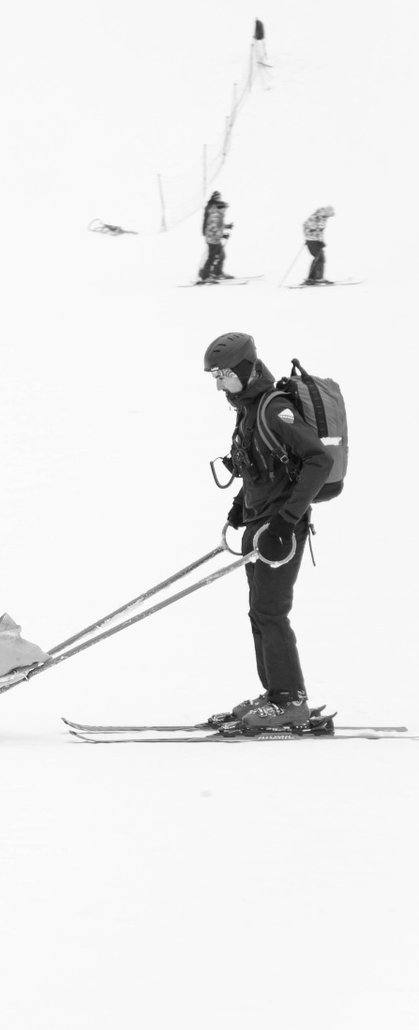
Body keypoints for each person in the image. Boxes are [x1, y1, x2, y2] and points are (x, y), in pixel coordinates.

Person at [203, 332, 334, 732]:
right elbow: (261, 466)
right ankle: (276, 694)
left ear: (245, 369)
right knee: (259, 611)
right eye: (215, 377)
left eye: (223, 374)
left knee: (271, 612)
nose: (219, 384)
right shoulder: (248, 410)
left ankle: (290, 701)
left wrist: (286, 521)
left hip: (279, 531)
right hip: (259, 525)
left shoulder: (275, 409)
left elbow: (319, 460)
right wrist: (239, 506)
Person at [198, 192, 231, 283]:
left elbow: (219, 225)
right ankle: (205, 276)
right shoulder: (215, 214)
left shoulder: (218, 214)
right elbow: (213, 228)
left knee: (221, 255)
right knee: (212, 257)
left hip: (215, 238)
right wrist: (222, 235)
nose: (226, 211)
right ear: (222, 208)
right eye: (225, 209)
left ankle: (217, 273)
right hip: (212, 239)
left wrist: (227, 226)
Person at [302, 206, 335, 285]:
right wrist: (319, 241)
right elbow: (317, 230)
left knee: (317, 258)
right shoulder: (319, 217)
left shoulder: (319, 216)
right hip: (314, 240)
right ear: (327, 212)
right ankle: (318, 278)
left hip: (311, 240)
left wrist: (308, 237)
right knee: (320, 259)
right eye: (330, 214)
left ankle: (311, 278)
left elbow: (308, 227)